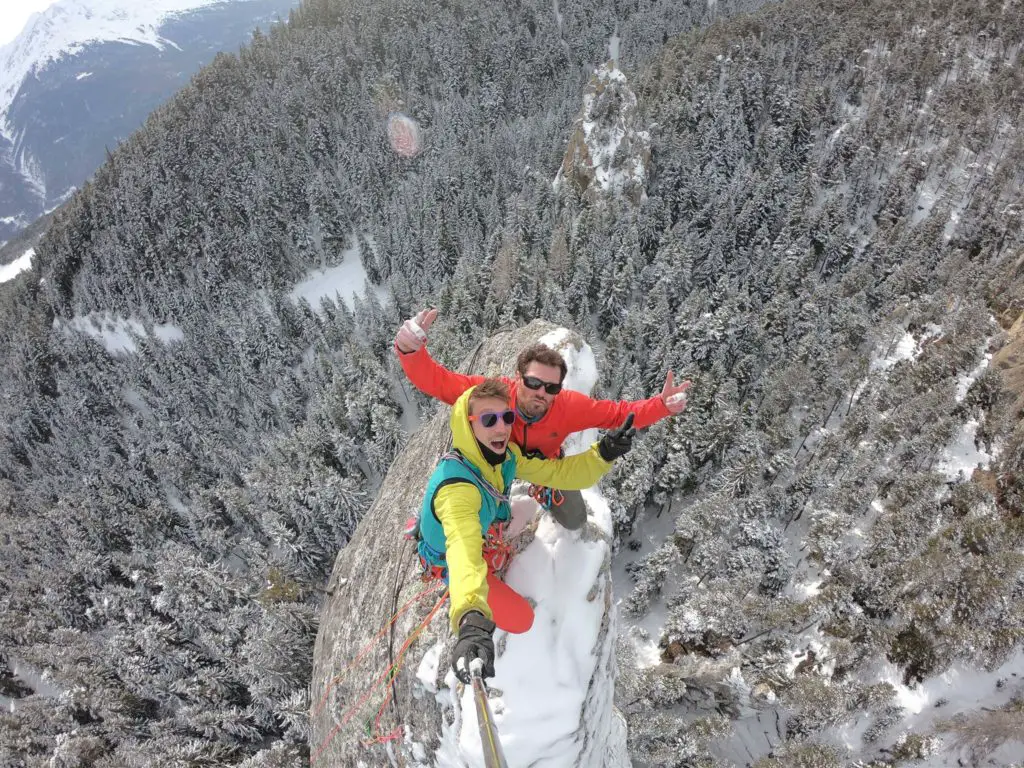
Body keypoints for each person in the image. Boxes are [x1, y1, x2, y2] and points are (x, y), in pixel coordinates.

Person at [413, 378, 636, 683]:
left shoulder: (505, 458)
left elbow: (557, 473)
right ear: (468, 425)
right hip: (448, 555)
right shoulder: (458, 493)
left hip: (483, 525)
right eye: (489, 419)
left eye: (507, 417)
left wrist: (604, 453)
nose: (502, 428)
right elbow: (463, 553)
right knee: (521, 618)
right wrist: (471, 619)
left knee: (513, 514)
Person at [395, 308, 690, 531]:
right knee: (475, 512)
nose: (541, 393)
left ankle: (539, 491)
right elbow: (441, 382)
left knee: (575, 520)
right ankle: (435, 522)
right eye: (534, 383)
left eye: (551, 388)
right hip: (495, 461)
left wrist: (661, 406)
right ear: (518, 378)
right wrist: (410, 351)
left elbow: (617, 412)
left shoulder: (569, 408)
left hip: (544, 467)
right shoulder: (494, 395)